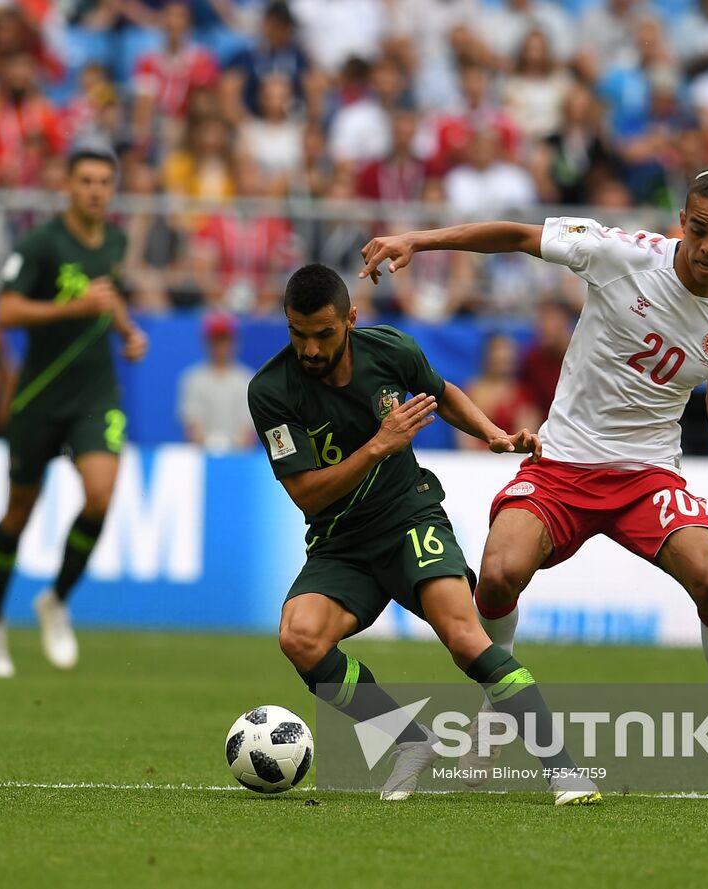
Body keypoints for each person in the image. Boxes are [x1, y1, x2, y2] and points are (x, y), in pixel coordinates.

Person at [360, 166, 708, 803]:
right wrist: (420, 241)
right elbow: (517, 236)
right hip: (563, 463)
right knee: (496, 574)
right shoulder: (619, 254)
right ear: (682, 223)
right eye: (700, 231)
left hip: (647, 475)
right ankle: (494, 713)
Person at [248, 263, 599, 806]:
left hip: (410, 518)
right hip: (341, 542)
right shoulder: (272, 390)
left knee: (464, 639)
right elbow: (307, 494)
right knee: (299, 637)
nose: (311, 348)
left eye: (324, 333)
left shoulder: (388, 351)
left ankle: (564, 771)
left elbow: (442, 391)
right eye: (298, 334)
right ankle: (408, 740)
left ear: (351, 320)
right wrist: (377, 445)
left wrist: (492, 433)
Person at [0, 142, 149, 678]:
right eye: (86, 181)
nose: (96, 190)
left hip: (95, 393)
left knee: (100, 496)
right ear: (68, 187)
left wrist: (125, 331)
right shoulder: (42, 243)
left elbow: (109, 295)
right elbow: (4, 311)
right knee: (19, 513)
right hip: (40, 397)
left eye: (104, 182)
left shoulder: (116, 241)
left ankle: (55, 599)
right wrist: (76, 307)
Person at [178, 312, 255, 452]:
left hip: (239, 460)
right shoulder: (193, 379)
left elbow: (249, 430)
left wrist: (231, 449)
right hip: (202, 457)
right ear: (207, 341)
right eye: (216, 339)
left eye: (225, 339)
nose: (220, 345)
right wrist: (211, 447)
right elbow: (191, 424)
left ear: (234, 341)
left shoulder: (247, 380)